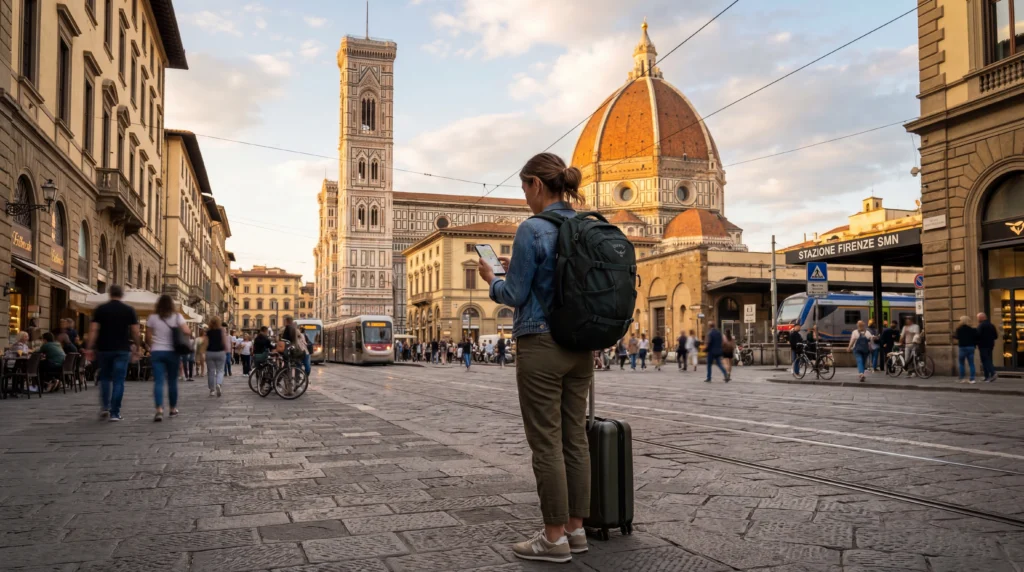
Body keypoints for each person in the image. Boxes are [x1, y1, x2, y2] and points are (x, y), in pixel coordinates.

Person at [479, 152, 592, 563]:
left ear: (537, 185)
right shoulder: (584, 223)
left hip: (541, 344)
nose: (524, 197)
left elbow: (514, 295)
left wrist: (493, 280)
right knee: (575, 439)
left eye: (524, 188)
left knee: (546, 443)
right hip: (580, 347)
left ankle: (553, 538)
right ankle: (577, 532)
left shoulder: (533, 228)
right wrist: (518, 268)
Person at [87, 285, 140, 421]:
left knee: (105, 378)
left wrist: (89, 347)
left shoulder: (100, 309)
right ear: (122, 294)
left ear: (110, 294)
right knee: (118, 381)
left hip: (104, 349)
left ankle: (105, 407)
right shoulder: (129, 310)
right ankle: (115, 413)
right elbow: (135, 331)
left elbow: (93, 330)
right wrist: (138, 347)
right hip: (122, 349)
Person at [145, 295, 191, 421]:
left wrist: (151, 346)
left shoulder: (152, 317)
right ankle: (172, 409)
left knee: (158, 381)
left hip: (157, 352)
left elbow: (147, 336)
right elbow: (187, 331)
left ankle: (159, 409)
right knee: (172, 382)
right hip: (172, 352)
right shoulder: (177, 317)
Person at [204, 316, 230, 397]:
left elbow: (205, 343)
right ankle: (218, 384)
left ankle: (212, 390)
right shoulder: (222, 330)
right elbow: (224, 341)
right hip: (220, 352)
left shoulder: (208, 331)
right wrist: (226, 349)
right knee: (220, 370)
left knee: (211, 371)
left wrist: (204, 352)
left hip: (210, 352)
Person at [953, 315, 978, 384]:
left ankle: (962, 378)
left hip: (962, 347)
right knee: (971, 363)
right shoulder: (973, 329)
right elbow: (976, 338)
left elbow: (956, 336)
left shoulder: (959, 329)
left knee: (961, 363)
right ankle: (972, 379)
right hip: (971, 347)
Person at [977, 312, 998, 382]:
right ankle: (986, 376)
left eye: (978, 318)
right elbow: (996, 336)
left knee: (985, 360)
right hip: (990, 345)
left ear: (982, 318)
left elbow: (978, 335)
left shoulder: (981, 325)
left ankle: (993, 373)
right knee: (988, 359)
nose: (978, 319)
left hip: (983, 345)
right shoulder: (992, 325)